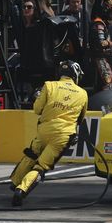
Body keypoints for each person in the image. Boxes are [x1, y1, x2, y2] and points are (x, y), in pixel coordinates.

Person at [9, 60, 87, 206]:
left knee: (31, 154)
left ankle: (15, 182)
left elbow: (37, 110)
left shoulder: (48, 85)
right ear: (75, 75)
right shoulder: (83, 94)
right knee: (41, 166)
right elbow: (80, 119)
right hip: (63, 135)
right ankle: (21, 190)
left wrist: (38, 98)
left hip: (44, 130)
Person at [89, 0, 112, 91]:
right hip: (100, 59)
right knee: (108, 84)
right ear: (109, 11)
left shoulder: (103, 23)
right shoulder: (99, 24)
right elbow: (102, 43)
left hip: (104, 59)